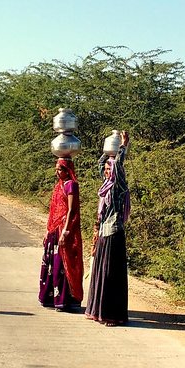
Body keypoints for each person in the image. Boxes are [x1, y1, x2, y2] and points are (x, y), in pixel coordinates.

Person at [85, 131, 131, 326]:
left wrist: (122, 146)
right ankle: (98, 311)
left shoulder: (118, 185)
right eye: (105, 169)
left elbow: (118, 165)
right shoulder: (105, 185)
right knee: (100, 271)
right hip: (104, 231)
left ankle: (112, 314)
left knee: (111, 274)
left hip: (114, 231)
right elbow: (100, 164)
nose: (105, 170)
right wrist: (107, 150)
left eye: (108, 169)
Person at [39, 157, 84, 311]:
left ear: (67, 170)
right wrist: (47, 230)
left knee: (62, 265)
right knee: (51, 264)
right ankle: (50, 297)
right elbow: (53, 210)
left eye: (60, 169)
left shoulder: (71, 185)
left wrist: (65, 231)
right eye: (56, 169)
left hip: (64, 229)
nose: (57, 172)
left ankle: (64, 300)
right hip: (54, 229)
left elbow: (71, 210)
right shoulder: (58, 186)